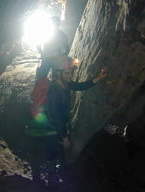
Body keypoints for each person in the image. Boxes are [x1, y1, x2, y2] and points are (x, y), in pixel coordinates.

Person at [45, 57, 108, 189]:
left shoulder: (66, 83)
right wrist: (65, 137)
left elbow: (81, 86)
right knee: (52, 151)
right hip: (52, 126)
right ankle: (50, 179)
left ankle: (55, 171)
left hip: (60, 124)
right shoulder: (54, 91)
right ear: (58, 73)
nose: (71, 76)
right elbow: (55, 117)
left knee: (57, 149)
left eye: (71, 72)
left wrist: (99, 77)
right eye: (67, 73)